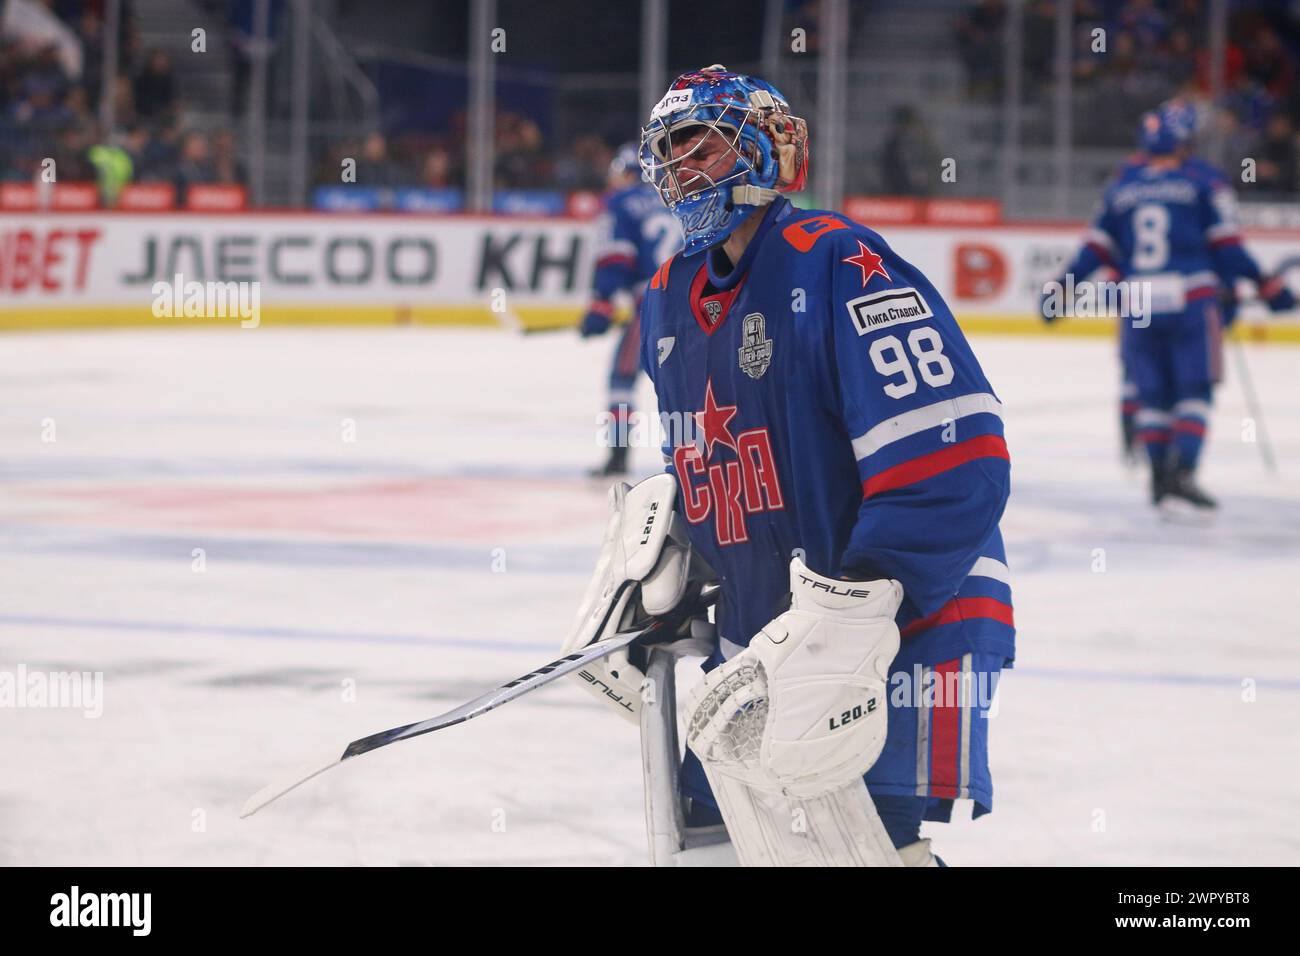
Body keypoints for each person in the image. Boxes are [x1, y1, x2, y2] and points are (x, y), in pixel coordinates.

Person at [563, 66, 1014, 866]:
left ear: (766, 149)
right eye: (665, 152)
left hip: (907, 622)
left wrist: (857, 604)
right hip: (767, 642)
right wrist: (672, 572)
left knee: (873, 854)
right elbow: (715, 468)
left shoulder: (836, 260)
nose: (676, 170)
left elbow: (954, 454)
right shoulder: (669, 293)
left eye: (698, 144)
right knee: (716, 842)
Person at [1047, 100, 1294, 514]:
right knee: (1194, 391)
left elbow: (1094, 248)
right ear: (1186, 140)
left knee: (1153, 395)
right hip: (1189, 297)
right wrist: (1267, 286)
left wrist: (1060, 288)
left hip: (1139, 300)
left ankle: (1159, 477)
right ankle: (1184, 470)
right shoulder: (1203, 180)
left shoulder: (1123, 185)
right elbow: (1228, 247)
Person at [577, 143, 682, 476]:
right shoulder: (680, 199)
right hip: (696, 305)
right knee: (689, 387)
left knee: (621, 379)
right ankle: (697, 458)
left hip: (653, 308)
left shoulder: (621, 203)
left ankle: (618, 456)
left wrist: (602, 302)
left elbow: (615, 256)